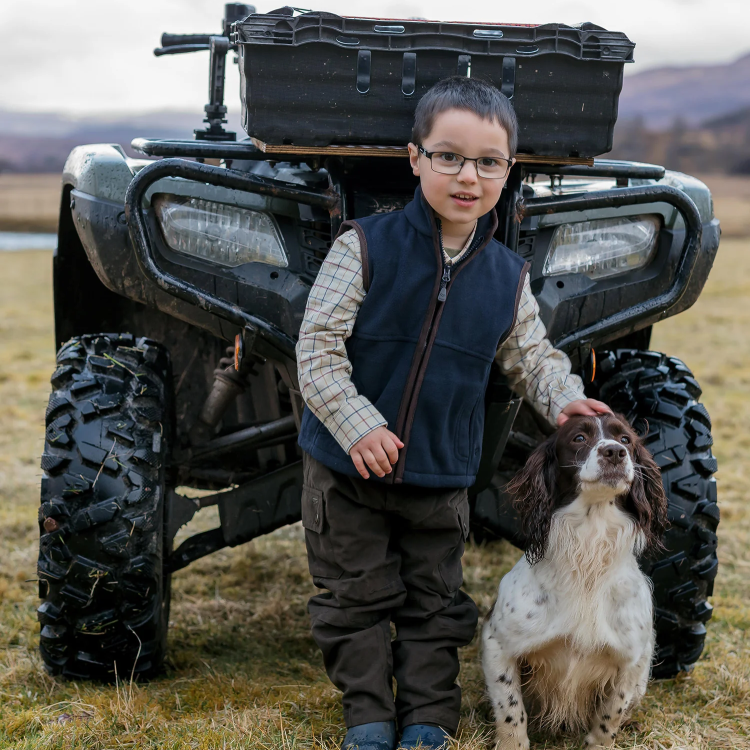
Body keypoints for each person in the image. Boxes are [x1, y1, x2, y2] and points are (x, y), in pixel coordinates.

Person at [295, 76, 610, 750]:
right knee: (354, 597)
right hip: (346, 472)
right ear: (416, 159)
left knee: (435, 603)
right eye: (449, 157)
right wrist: (358, 425)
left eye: (488, 162)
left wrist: (563, 398)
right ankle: (370, 719)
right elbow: (316, 350)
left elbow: (533, 354)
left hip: (439, 476)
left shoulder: (506, 275)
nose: (468, 176)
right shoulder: (364, 246)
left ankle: (430, 722)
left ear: (508, 170)